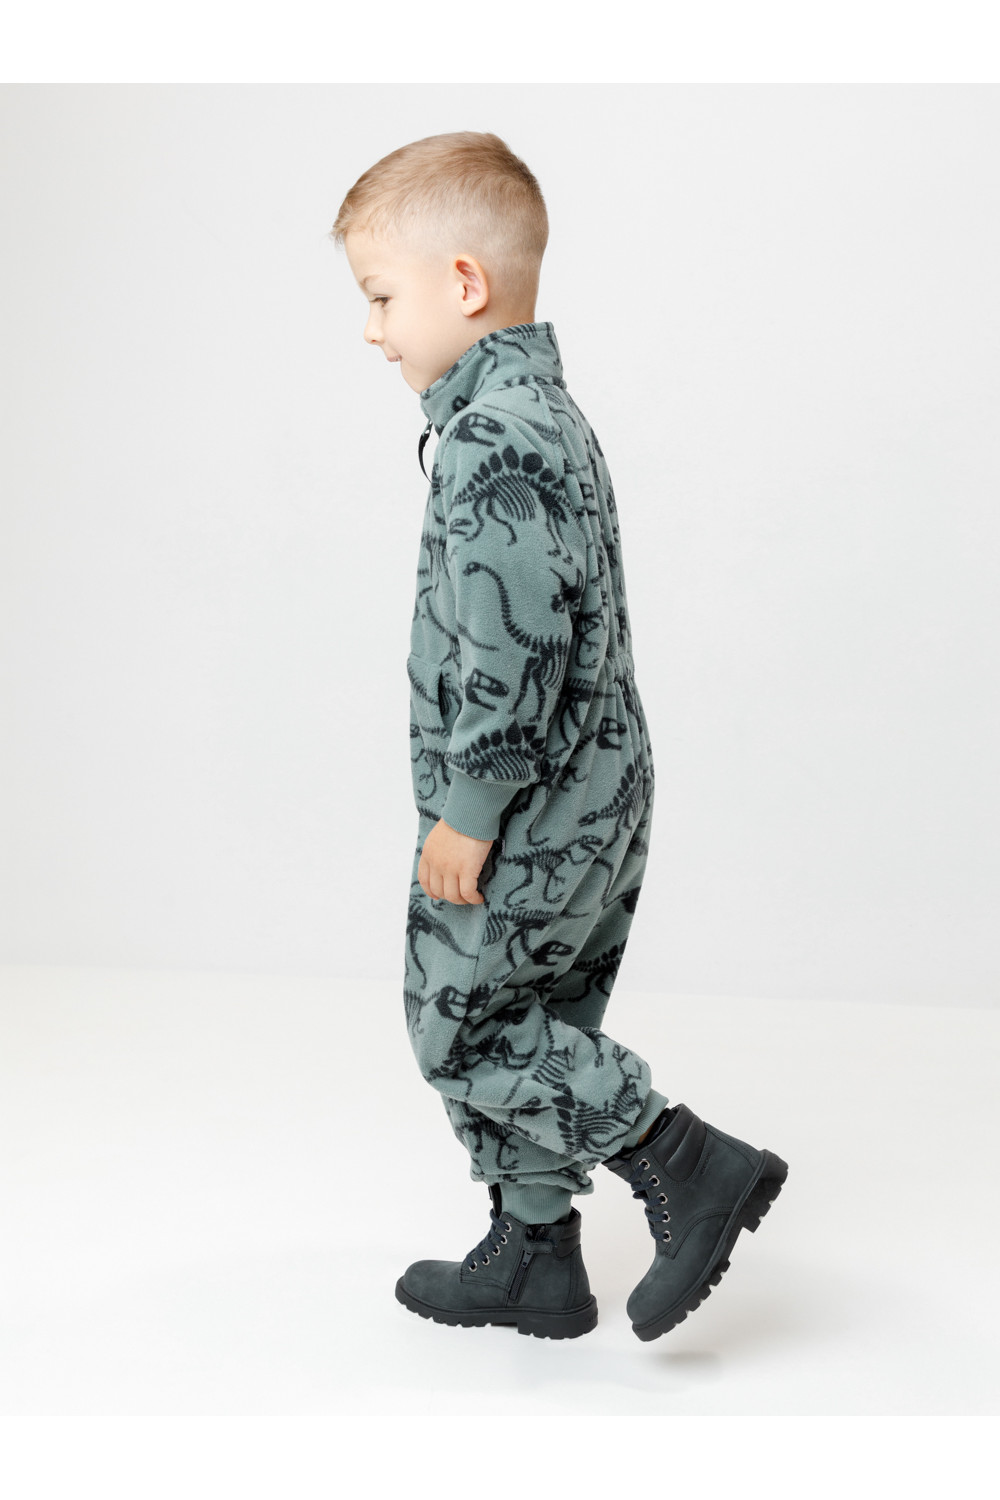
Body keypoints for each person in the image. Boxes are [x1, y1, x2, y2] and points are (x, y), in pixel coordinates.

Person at [330, 131, 787, 1342]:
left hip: (531, 800)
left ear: (463, 283)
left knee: (465, 1024)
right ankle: (534, 1255)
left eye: (381, 297)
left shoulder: (494, 434)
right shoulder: (544, 414)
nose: (371, 330)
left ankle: (685, 1159)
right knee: (538, 1014)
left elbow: (512, 644)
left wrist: (470, 808)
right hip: (595, 785)